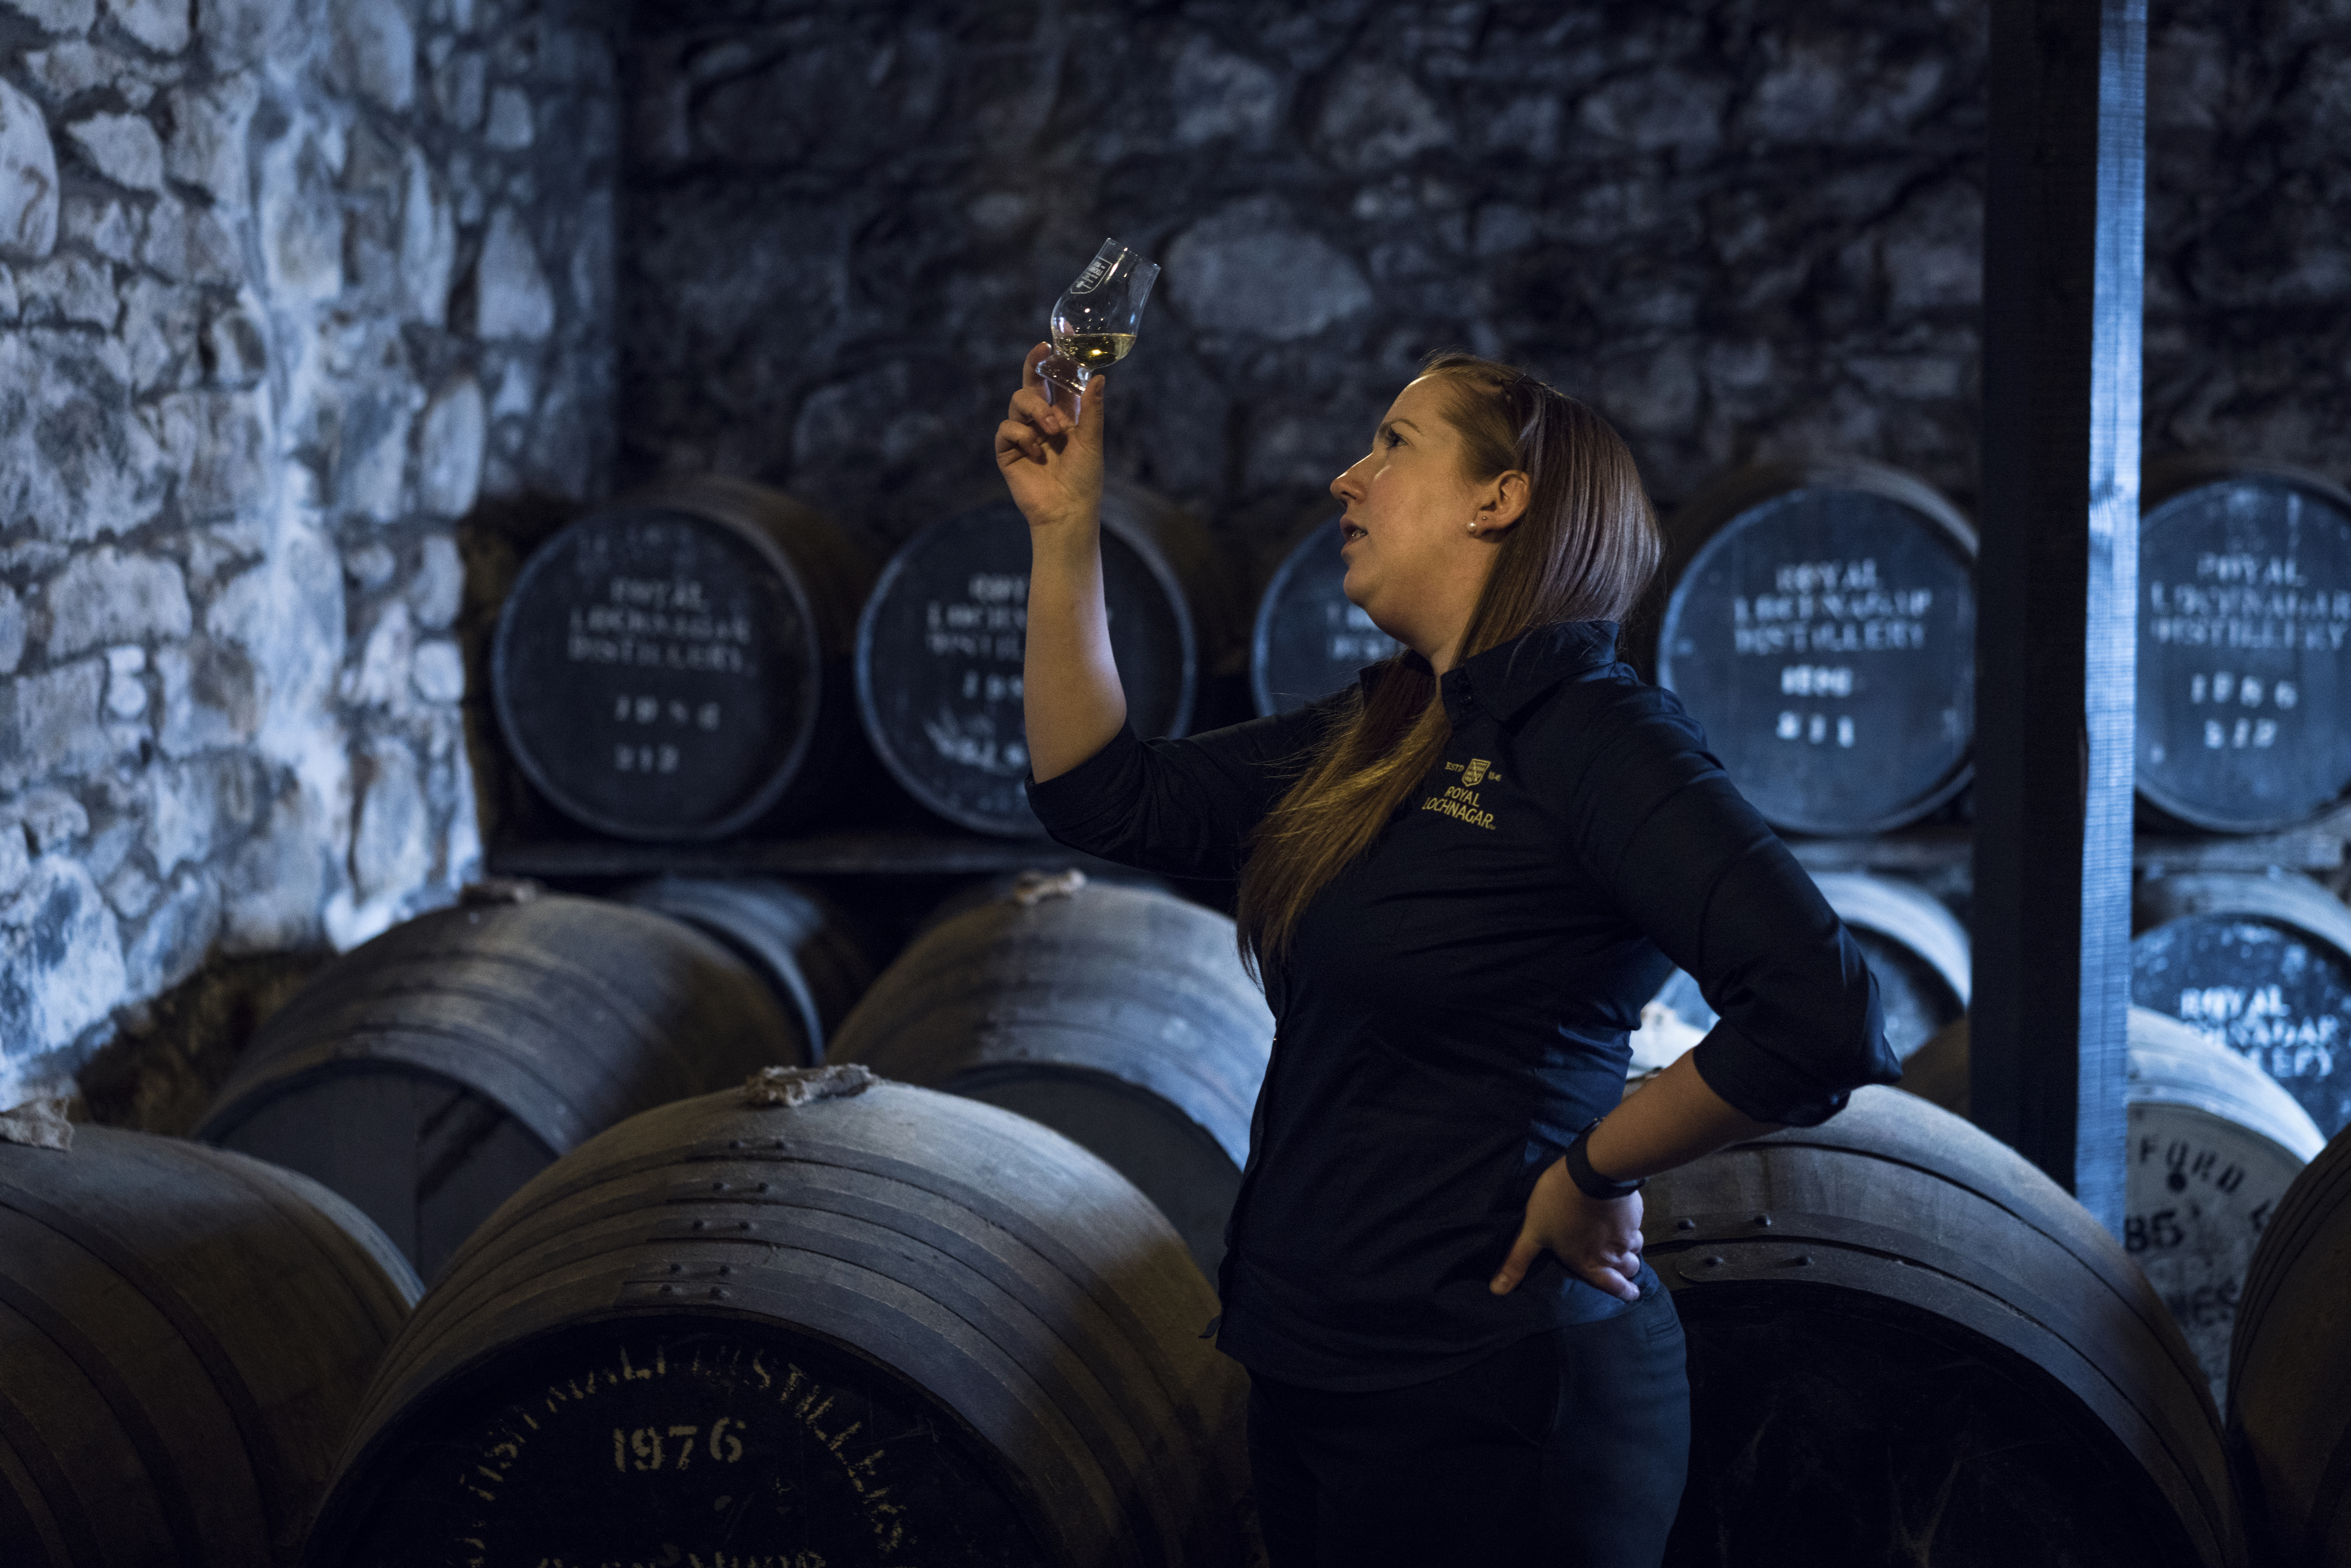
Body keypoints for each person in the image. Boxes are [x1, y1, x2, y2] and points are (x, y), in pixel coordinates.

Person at [995, 342, 1899, 1567]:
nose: (1342, 480)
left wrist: (1592, 1169)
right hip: (1313, 1365)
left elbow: (1822, 1011)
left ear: (1501, 497)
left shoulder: (1596, 734)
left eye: (1392, 446)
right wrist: (1064, 528)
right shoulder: (1387, 727)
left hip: (1490, 1386)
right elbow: (1101, 798)